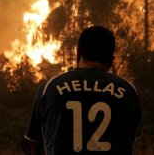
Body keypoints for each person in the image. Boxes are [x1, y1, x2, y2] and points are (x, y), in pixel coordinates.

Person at [25, 26, 141, 155]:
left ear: (78, 53)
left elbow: (34, 142)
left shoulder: (49, 89)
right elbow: (131, 138)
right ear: (111, 61)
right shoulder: (129, 92)